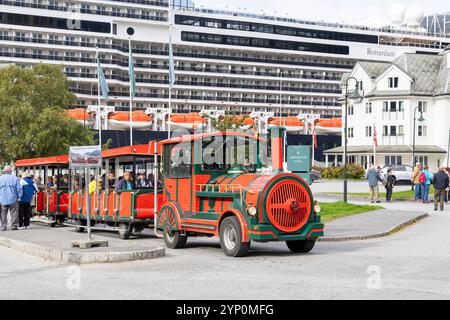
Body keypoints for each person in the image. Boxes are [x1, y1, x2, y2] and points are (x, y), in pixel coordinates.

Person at [0, 166, 22, 231]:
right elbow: (19, 189)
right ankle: (14, 226)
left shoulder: (0, 178)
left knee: (3, 213)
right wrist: (20, 196)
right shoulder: (15, 178)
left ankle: (3, 226)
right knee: (14, 212)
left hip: (2, 199)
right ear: (11, 171)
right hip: (13, 198)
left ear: (4, 171)